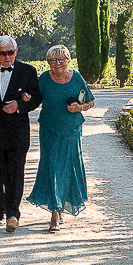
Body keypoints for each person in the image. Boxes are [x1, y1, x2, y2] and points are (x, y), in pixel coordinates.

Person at [0, 36, 43, 233]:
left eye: (10, 52)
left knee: (16, 173)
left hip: (18, 132)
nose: (7, 57)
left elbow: (36, 98)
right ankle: (0, 209)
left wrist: (19, 105)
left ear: (16, 52)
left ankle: (13, 214)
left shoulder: (28, 71)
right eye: (3, 53)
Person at [26, 46, 94, 232]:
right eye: (53, 61)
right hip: (49, 129)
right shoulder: (44, 79)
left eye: (61, 60)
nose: (57, 64)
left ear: (68, 60)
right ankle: (55, 212)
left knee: (68, 167)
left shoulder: (77, 78)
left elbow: (90, 101)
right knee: (52, 167)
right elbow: (34, 99)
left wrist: (79, 108)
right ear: (48, 62)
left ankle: (61, 206)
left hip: (72, 129)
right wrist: (24, 98)